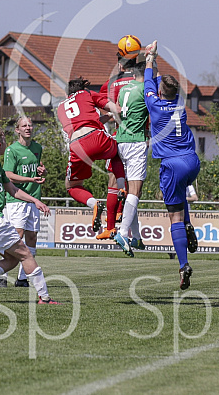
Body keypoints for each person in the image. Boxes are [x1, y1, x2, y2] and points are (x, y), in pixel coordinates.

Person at [0, 127, 59, 305]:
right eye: (4, 139)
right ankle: (45, 298)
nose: (7, 142)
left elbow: (14, 190)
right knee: (26, 255)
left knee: (12, 259)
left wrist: (35, 201)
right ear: (0, 144)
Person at [143, 41, 200, 288]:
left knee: (173, 216)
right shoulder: (179, 104)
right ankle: (188, 224)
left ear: (159, 92)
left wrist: (149, 57)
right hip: (192, 161)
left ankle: (183, 264)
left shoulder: (154, 104)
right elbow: (158, 83)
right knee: (181, 201)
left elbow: (148, 82)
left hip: (172, 165)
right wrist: (156, 63)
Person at [56, 77, 131, 255]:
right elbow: (116, 109)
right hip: (96, 138)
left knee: (72, 186)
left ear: (68, 93)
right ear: (83, 88)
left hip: (77, 146)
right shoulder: (87, 94)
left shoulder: (60, 107)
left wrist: (105, 118)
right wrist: (119, 111)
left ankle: (93, 204)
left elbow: (83, 122)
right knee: (117, 151)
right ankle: (121, 188)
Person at [0, 116, 47, 287]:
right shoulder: (12, 150)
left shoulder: (37, 148)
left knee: (31, 238)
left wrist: (42, 171)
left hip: (34, 199)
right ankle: (1, 275)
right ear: (17, 130)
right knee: (15, 239)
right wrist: (31, 179)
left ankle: (22, 278)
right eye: (24, 125)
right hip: (16, 199)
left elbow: (37, 167)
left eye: (30, 125)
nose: (28, 128)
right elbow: (8, 175)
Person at [98, 40, 139, 239]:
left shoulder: (113, 82)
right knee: (134, 187)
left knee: (114, 183)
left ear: (120, 62)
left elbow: (100, 103)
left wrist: (107, 117)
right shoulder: (142, 80)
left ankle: (111, 226)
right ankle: (131, 228)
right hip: (139, 139)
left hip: (118, 138)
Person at [112, 55, 149, 254]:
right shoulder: (145, 89)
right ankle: (123, 232)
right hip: (135, 142)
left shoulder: (124, 88)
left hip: (121, 140)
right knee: (135, 190)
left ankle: (137, 237)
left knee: (133, 192)